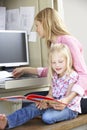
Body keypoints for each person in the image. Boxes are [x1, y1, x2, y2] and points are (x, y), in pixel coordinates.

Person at [12, 7, 87, 114]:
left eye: (37, 25)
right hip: (62, 94)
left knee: (33, 104)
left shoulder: (68, 41)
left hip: (78, 97)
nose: (36, 29)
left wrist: (68, 99)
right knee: (27, 99)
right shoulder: (53, 44)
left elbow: (84, 74)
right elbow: (53, 71)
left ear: (46, 24)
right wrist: (25, 70)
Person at [0, 43, 84, 129]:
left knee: (47, 117)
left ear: (68, 61)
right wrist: (45, 101)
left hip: (69, 109)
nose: (57, 65)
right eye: (53, 62)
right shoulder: (54, 75)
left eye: (60, 62)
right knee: (34, 107)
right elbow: (50, 94)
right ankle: (7, 121)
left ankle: (43, 112)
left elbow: (66, 101)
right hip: (53, 105)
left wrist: (49, 104)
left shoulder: (72, 76)